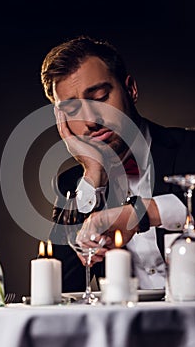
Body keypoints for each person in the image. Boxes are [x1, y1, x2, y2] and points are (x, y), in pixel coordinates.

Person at [40, 35, 195, 292]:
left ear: (131, 89)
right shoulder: (72, 185)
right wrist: (92, 176)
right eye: (74, 110)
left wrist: (141, 214)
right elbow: (61, 289)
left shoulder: (190, 147)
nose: (90, 120)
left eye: (100, 97)